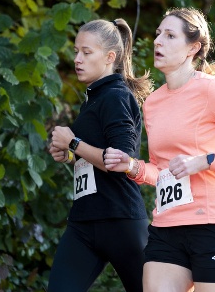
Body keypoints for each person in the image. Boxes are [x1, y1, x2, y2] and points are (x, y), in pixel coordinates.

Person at [104, 7, 215, 292]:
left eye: (170, 36)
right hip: (167, 225)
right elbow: (163, 170)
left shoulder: (213, 91)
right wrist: (133, 166)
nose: (158, 41)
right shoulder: (153, 103)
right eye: (158, 34)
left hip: (213, 222)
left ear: (192, 48)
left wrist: (206, 161)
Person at [47, 18, 153, 292]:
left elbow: (121, 159)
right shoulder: (94, 98)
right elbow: (93, 154)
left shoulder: (116, 96)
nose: (77, 59)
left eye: (86, 52)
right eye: (76, 52)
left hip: (121, 221)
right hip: (83, 223)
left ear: (109, 57)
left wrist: (73, 143)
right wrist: (70, 156)